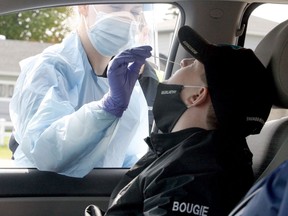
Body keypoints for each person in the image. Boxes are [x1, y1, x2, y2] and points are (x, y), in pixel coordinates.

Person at [84, 25, 273, 216]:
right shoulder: (182, 154)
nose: (183, 62)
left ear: (196, 96)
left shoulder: (198, 171)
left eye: (193, 64)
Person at [9, 4, 153, 178]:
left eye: (135, 12)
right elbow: (45, 152)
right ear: (83, 6)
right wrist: (107, 108)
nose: (127, 18)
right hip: (46, 197)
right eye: (115, 7)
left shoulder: (127, 83)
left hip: (99, 199)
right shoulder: (49, 69)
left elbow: (128, 158)